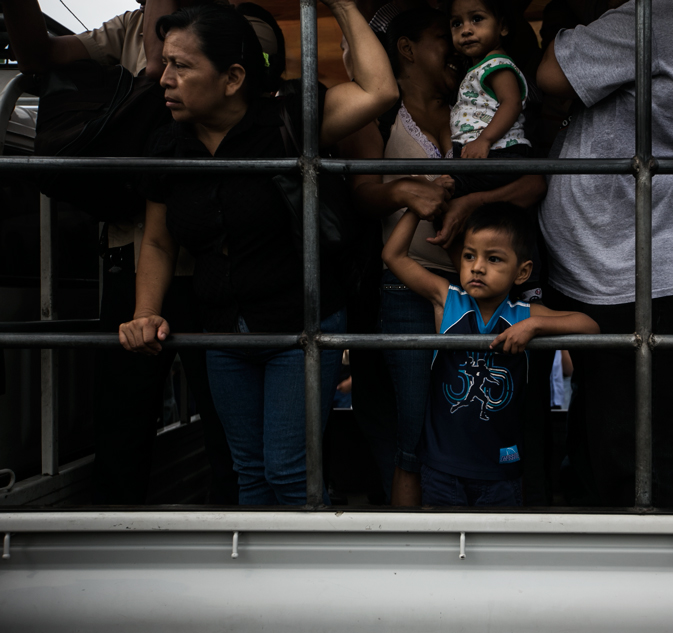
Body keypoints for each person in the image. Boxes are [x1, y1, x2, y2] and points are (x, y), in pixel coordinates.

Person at [118, 1, 399, 505]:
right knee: (248, 473)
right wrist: (144, 313)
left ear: (232, 77)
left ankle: (310, 583)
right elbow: (159, 241)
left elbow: (380, 91)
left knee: (290, 474)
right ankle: (265, 585)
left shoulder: (290, 116)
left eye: (181, 65)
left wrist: (340, 4)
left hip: (301, 325)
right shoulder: (167, 146)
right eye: (165, 63)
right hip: (224, 331)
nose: (164, 77)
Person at [0, 0, 273, 504]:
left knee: (222, 417)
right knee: (123, 412)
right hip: (134, 248)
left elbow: (153, 67)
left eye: (181, 65)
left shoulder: (238, 26)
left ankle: (230, 530)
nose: (171, 77)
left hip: (210, 261)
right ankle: (116, 527)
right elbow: (38, 55)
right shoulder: (129, 24)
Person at [536, 0, 673, 508]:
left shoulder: (659, 14)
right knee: (608, 450)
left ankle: (657, 578)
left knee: (649, 464)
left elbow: (553, 75)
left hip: (647, 271)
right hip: (624, 267)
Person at [348, 7, 546, 506]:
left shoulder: (475, 106)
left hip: (478, 292)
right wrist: (408, 192)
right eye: (444, 36)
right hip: (409, 287)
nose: (457, 46)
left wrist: (468, 202)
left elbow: (534, 182)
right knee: (415, 434)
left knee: (484, 420)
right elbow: (362, 195)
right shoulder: (379, 114)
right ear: (408, 50)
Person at [381, 203, 599, 506]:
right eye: (469, 256)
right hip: (442, 468)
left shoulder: (524, 314)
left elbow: (590, 328)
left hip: (502, 470)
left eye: (493, 259)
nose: (478, 267)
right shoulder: (448, 301)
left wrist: (535, 326)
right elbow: (393, 256)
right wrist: (416, 209)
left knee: (497, 549)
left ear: (522, 272)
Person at [445, 0, 532, 197]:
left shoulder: (497, 65)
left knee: (450, 189)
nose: (466, 30)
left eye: (477, 19)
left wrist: (485, 140)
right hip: (484, 151)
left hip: (498, 151)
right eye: (457, 23)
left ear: (502, 27)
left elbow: (512, 103)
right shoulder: (481, 66)